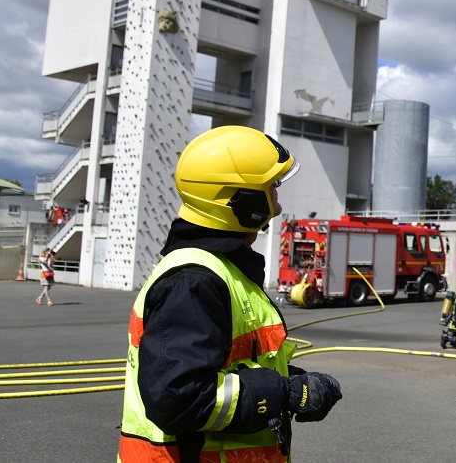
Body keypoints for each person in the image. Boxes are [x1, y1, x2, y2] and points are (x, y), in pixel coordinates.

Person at [118, 126, 342, 462]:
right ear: (242, 201)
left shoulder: (219, 270)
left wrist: (295, 382)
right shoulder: (194, 281)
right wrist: (285, 394)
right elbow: (180, 398)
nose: (277, 208)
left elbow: (228, 364)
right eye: (271, 190)